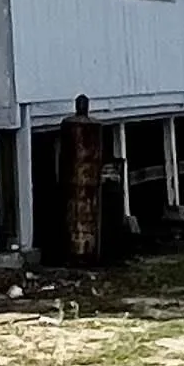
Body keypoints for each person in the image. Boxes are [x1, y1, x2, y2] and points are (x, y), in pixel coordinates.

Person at [59, 94, 105, 264]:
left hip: (80, 180)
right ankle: (83, 251)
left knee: (79, 210)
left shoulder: (70, 125)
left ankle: (82, 251)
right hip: (82, 181)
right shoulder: (91, 126)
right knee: (80, 210)